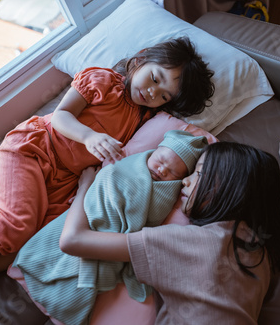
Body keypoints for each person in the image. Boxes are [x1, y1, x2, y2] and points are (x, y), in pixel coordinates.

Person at [0, 36, 215, 310]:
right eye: (155, 78)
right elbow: (62, 115)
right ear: (140, 60)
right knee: (16, 229)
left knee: (29, 244)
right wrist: (89, 137)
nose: (152, 92)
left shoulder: (144, 118)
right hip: (34, 148)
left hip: (66, 180)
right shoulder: (102, 81)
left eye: (163, 96)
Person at [59, 129, 280, 324]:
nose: (184, 181)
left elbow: (72, 240)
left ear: (229, 187)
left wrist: (87, 187)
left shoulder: (185, 241)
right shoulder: (261, 246)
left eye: (198, 174)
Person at [12, 130, 208, 325]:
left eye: (173, 172)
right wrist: (88, 187)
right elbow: (108, 180)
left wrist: (84, 188)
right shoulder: (124, 168)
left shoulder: (166, 197)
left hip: (105, 240)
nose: (163, 170)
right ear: (153, 152)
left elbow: (148, 220)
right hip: (83, 224)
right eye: (161, 160)